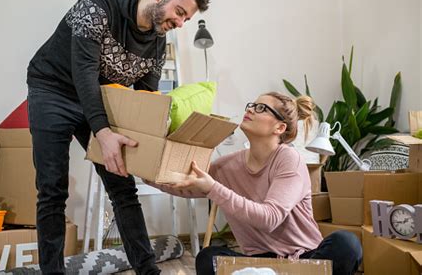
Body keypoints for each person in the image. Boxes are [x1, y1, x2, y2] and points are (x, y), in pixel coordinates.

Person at [26, 0, 210, 274]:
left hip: (100, 98)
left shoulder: (157, 42)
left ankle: (148, 271)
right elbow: (83, 74)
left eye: (186, 19)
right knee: (52, 189)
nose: (179, 23)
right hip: (53, 89)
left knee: (124, 186)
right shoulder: (96, 7)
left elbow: (145, 101)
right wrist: (103, 132)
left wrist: (151, 155)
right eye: (179, 12)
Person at [147, 92, 362, 275]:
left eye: (261, 108)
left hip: (305, 260)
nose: (250, 109)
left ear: (279, 127)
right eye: (252, 105)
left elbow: (270, 218)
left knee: (347, 244)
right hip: (259, 265)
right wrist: (142, 170)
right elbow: (184, 183)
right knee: (207, 257)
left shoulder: (288, 159)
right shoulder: (227, 166)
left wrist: (213, 188)